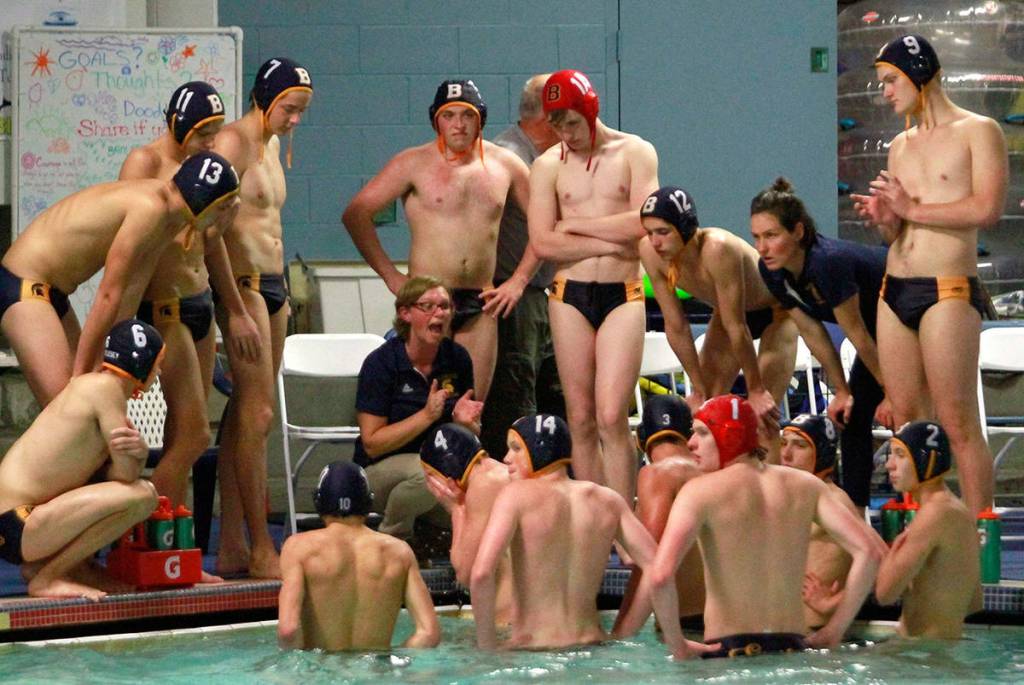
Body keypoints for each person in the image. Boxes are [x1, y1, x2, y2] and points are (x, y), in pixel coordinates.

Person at [850, 34, 1008, 516]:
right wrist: (885, 218)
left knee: (957, 424)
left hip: (947, 291)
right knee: (907, 424)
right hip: (893, 290)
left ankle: (980, 538)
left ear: (921, 74)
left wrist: (911, 208)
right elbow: (902, 226)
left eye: (891, 81)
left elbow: (987, 209)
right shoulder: (900, 145)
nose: (886, 93)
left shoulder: (979, 130)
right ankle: (922, 533)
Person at [634, 395, 881, 659]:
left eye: (702, 433)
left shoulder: (699, 491)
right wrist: (834, 630)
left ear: (729, 435)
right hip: (794, 651)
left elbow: (660, 576)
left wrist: (678, 645)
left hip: (729, 654)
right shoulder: (807, 486)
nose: (691, 443)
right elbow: (870, 553)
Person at [343, 79, 538, 402]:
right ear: (436, 120)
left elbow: (545, 225)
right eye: (449, 116)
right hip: (428, 300)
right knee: (422, 403)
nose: (458, 125)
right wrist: (391, 277)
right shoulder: (412, 163)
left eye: (467, 115)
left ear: (481, 120)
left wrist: (519, 281)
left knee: (471, 406)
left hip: (481, 301)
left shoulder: (506, 164)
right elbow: (356, 214)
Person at [0, 151, 241, 406]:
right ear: (205, 203)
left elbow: (131, 291)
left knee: (86, 409)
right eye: (223, 208)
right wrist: (83, 374)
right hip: (25, 283)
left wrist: (101, 364)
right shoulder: (151, 209)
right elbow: (108, 294)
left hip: (52, 293)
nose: (223, 217)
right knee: (69, 409)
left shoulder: (169, 212)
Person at [119, 81, 261, 511]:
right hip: (165, 309)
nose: (212, 142)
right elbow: (132, 242)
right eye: (204, 132)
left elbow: (211, 242)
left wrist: (235, 310)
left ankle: (172, 542)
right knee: (197, 432)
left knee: (186, 434)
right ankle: (150, 530)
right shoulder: (145, 161)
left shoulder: (205, 168)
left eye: (216, 130)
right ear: (179, 125)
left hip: (200, 305)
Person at [527, 69, 659, 503]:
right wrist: (612, 237)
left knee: (610, 416)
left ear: (590, 111)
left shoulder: (635, 153)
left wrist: (577, 226)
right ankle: (593, 520)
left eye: (571, 123)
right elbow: (544, 242)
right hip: (569, 297)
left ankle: (622, 518)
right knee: (580, 417)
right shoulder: (546, 167)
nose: (566, 134)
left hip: (622, 294)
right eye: (557, 125)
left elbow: (645, 222)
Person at [213, 57, 313, 577]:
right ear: (265, 99)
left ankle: (232, 544)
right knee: (258, 416)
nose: (295, 120)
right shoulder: (231, 144)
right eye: (289, 109)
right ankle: (260, 549)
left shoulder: (272, 145)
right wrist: (232, 310)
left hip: (272, 288)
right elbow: (212, 234)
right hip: (244, 289)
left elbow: (266, 222)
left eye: (300, 111)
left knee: (244, 419)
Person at [751, 177, 891, 509]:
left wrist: (891, 394)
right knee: (853, 418)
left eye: (771, 236)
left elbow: (857, 333)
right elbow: (813, 333)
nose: (762, 248)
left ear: (798, 232)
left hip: (904, 320)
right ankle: (855, 512)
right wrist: (842, 391)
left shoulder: (828, 262)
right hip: (877, 333)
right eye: (756, 237)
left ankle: (922, 513)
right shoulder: (772, 270)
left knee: (904, 414)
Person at [0, 319, 164, 600]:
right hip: (19, 522)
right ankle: (49, 578)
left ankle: (55, 568)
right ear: (143, 363)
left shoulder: (93, 388)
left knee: (133, 492)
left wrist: (135, 454)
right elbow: (126, 478)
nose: (159, 371)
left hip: (18, 524)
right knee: (143, 495)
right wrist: (140, 453)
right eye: (158, 363)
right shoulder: (106, 390)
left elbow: (111, 479)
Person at [469, 413, 661, 650]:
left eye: (516, 448)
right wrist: (624, 632)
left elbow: (480, 574)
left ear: (538, 451)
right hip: (595, 648)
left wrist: (487, 647)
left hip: (534, 651)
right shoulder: (606, 499)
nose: (507, 458)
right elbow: (659, 567)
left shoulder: (515, 496)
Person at [639, 185, 797, 452]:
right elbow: (676, 325)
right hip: (728, 318)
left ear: (685, 228)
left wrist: (756, 389)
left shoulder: (716, 248)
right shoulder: (650, 253)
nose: (655, 242)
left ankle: (767, 489)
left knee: (763, 420)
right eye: (650, 232)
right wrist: (699, 389)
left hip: (776, 314)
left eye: (663, 232)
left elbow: (737, 326)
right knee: (706, 415)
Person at [354, 277, 482, 546]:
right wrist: (426, 416)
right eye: (428, 306)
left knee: (485, 504)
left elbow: (469, 434)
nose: (439, 314)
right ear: (405, 313)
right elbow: (373, 444)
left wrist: (466, 426)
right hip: (380, 470)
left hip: (434, 475)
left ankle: (433, 538)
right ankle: (389, 544)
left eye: (445, 307)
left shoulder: (457, 358)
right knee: (428, 472)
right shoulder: (382, 363)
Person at [479, 73, 564, 457]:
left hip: (538, 291)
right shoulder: (509, 157)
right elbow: (544, 229)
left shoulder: (540, 156)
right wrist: (517, 280)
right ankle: (516, 490)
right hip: (514, 296)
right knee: (518, 396)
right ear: (549, 118)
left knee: (552, 390)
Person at [277, 460, 440, 650]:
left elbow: (288, 631)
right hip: (378, 674)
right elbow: (429, 634)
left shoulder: (299, 548)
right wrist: (391, 659)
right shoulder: (399, 552)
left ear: (318, 502)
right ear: (368, 502)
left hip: (322, 674)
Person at [876, 421, 982, 638]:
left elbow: (884, 593)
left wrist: (894, 549)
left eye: (900, 455)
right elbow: (975, 601)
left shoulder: (934, 514)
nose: (889, 465)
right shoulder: (955, 509)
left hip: (924, 658)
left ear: (925, 460)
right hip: (936, 653)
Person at [614, 394, 710, 633]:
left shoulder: (656, 474)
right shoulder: (714, 472)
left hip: (686, 627)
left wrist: (621, 632)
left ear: (641, 438)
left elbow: (652, 559)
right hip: (724, 624)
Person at [780, 413, 883, 630]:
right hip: (791, 643)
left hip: (818, 643)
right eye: (783, 443)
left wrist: (831, 604)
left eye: (799, 446)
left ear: (822, 454)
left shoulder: (834, 499)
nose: (786, 454)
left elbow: (883, 565)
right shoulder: (794, 496)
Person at [419, 423, 515, 625]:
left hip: (510, 629)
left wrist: (456, 510)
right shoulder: (498, 473)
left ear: (446, 474)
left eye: (431, 478)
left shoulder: (483, 485)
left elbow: (467, 574)